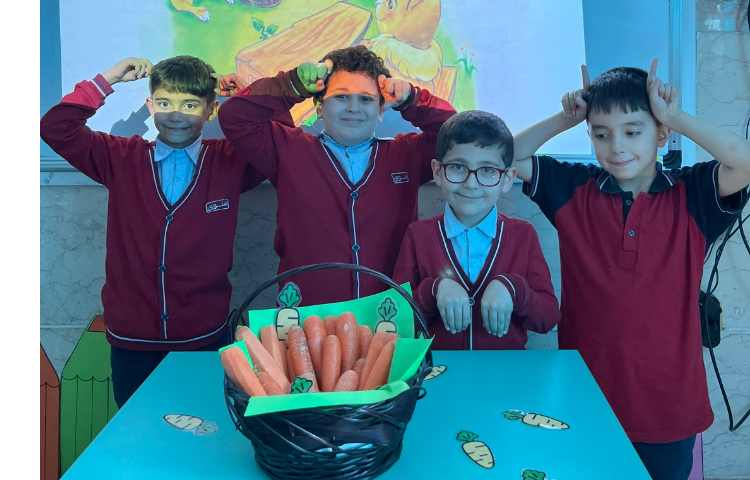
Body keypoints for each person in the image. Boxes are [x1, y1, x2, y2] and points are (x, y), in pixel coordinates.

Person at [511, 59, 750, 479]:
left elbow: (743, 161)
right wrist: (564, 120)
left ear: (661, 133)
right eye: (601, 134)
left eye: (633, 131)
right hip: (588, 401)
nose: (617, 146)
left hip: (668, 410)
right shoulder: (571, 188)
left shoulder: (691, 194)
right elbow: (505, 154)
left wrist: (676, 116)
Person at [40, 56, 266, 406]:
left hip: (204, 338)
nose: (176, 114)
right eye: (164, 103)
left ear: (211, 110)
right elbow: (56, 127)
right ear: (150, 105)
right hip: (133, 342)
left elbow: (278, 144)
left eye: (190, 105)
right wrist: (109, 78)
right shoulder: (120, 158)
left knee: (204, 426)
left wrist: (247, 95)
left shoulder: (230, 162)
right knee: (137, 429)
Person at [218, 45, 456, 306]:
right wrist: (292, 84)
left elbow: (456, 134)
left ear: (381, 110)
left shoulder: (405, 155)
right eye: (341, 97)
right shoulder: (288, 150)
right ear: (319, 106)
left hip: (388, 315)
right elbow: (235, 116)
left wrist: (413, 99)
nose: (353, 107)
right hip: (306, 315)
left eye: (366, 99)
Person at [393, 110, 559, 349]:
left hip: (504, 368)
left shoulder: (523, 235)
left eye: (488, 170)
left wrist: (513, 289)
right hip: (439, 368)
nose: (471, 184)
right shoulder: (418, 235)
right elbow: (397, 320)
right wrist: (434, 290)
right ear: (437, 172)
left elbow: (547, 318)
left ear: (507, 179)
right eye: (458, 167)